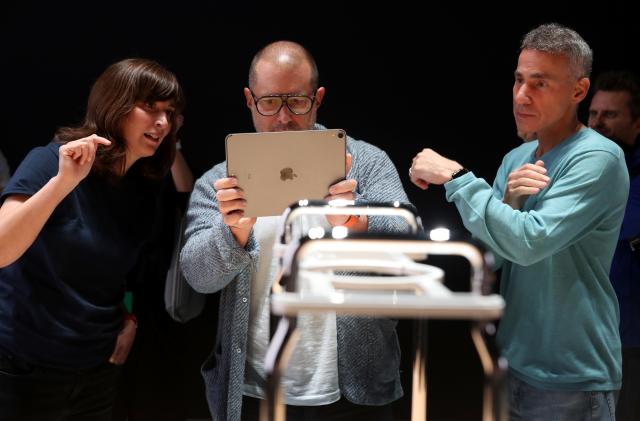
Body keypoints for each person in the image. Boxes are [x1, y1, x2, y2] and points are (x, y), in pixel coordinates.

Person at [180, 40, 411, 421]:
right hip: (255, 389)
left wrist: (359, 223)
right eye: (269, 102)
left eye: (297, 102)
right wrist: (232, 235)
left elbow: (410, 242)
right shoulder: (221, 181)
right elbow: (198, 277)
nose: (283, 118)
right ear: (248, 100)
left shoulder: (364, 162)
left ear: (318, 98)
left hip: (355, 390)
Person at [409, 23, 627, 420]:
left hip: (572, 374)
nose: (521, 96)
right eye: (519, 80)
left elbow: (529, 243)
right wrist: (507, 203)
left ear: (579, 91)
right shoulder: (517, 159)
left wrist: (458, 179)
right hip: (514, 361)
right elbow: (491, 261)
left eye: (540, 84)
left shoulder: (598, 157)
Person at [0, 58, 185, 421]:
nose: (162, 122)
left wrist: (130, 318)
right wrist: (62, 184)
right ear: (114, 106)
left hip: (95, 370)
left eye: (170, 111)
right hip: (22, 367)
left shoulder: (145, 183)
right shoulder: (52, 161)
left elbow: (134, 269)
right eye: (149, 107)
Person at [588, 70, 640, 421]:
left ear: (637, 123)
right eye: (593, 114)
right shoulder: (582, 169)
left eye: (611, 115)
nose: (598, 123)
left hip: (631, 339)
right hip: (584, 338)